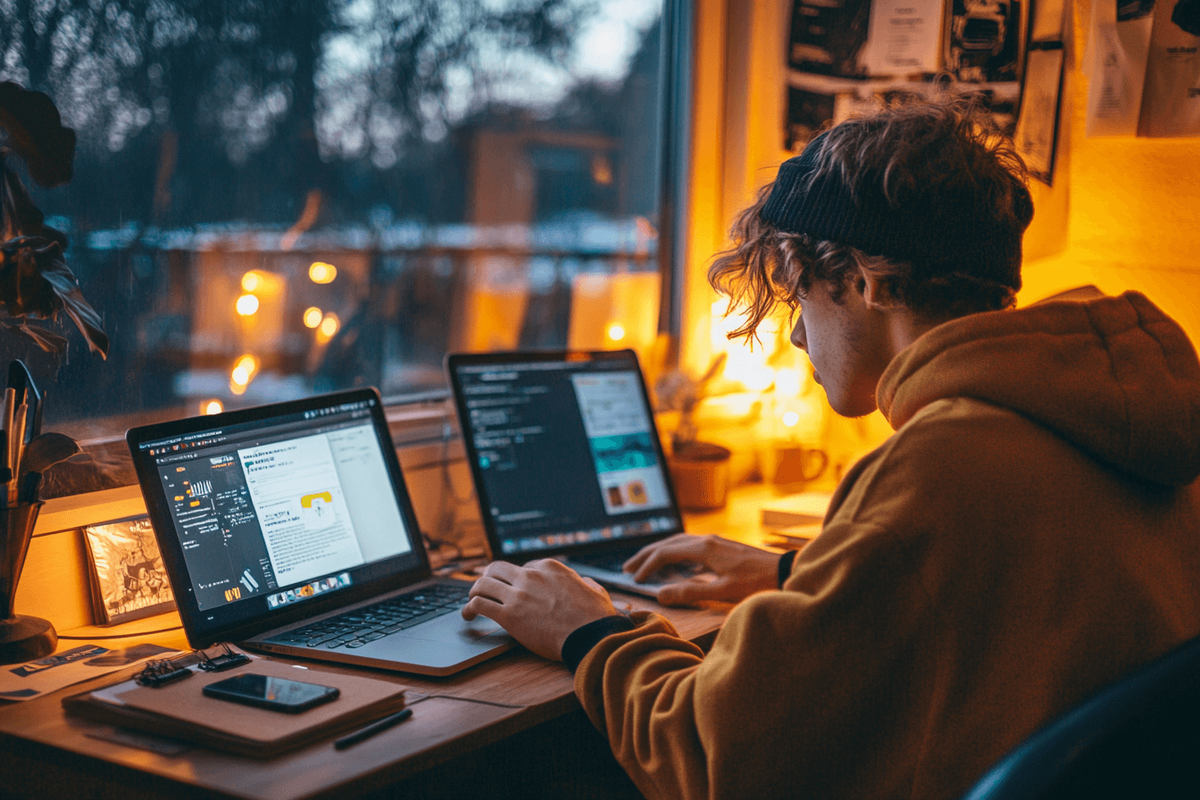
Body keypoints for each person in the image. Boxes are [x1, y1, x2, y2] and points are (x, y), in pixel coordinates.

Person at [461, 95, 1200, 800]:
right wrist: (794, 572)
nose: (795, 333)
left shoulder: (940, 465)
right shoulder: (1113, 419)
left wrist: (588, 629)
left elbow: (715, 764)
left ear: (864, 279)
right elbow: (999, 594)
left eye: (800, 295)